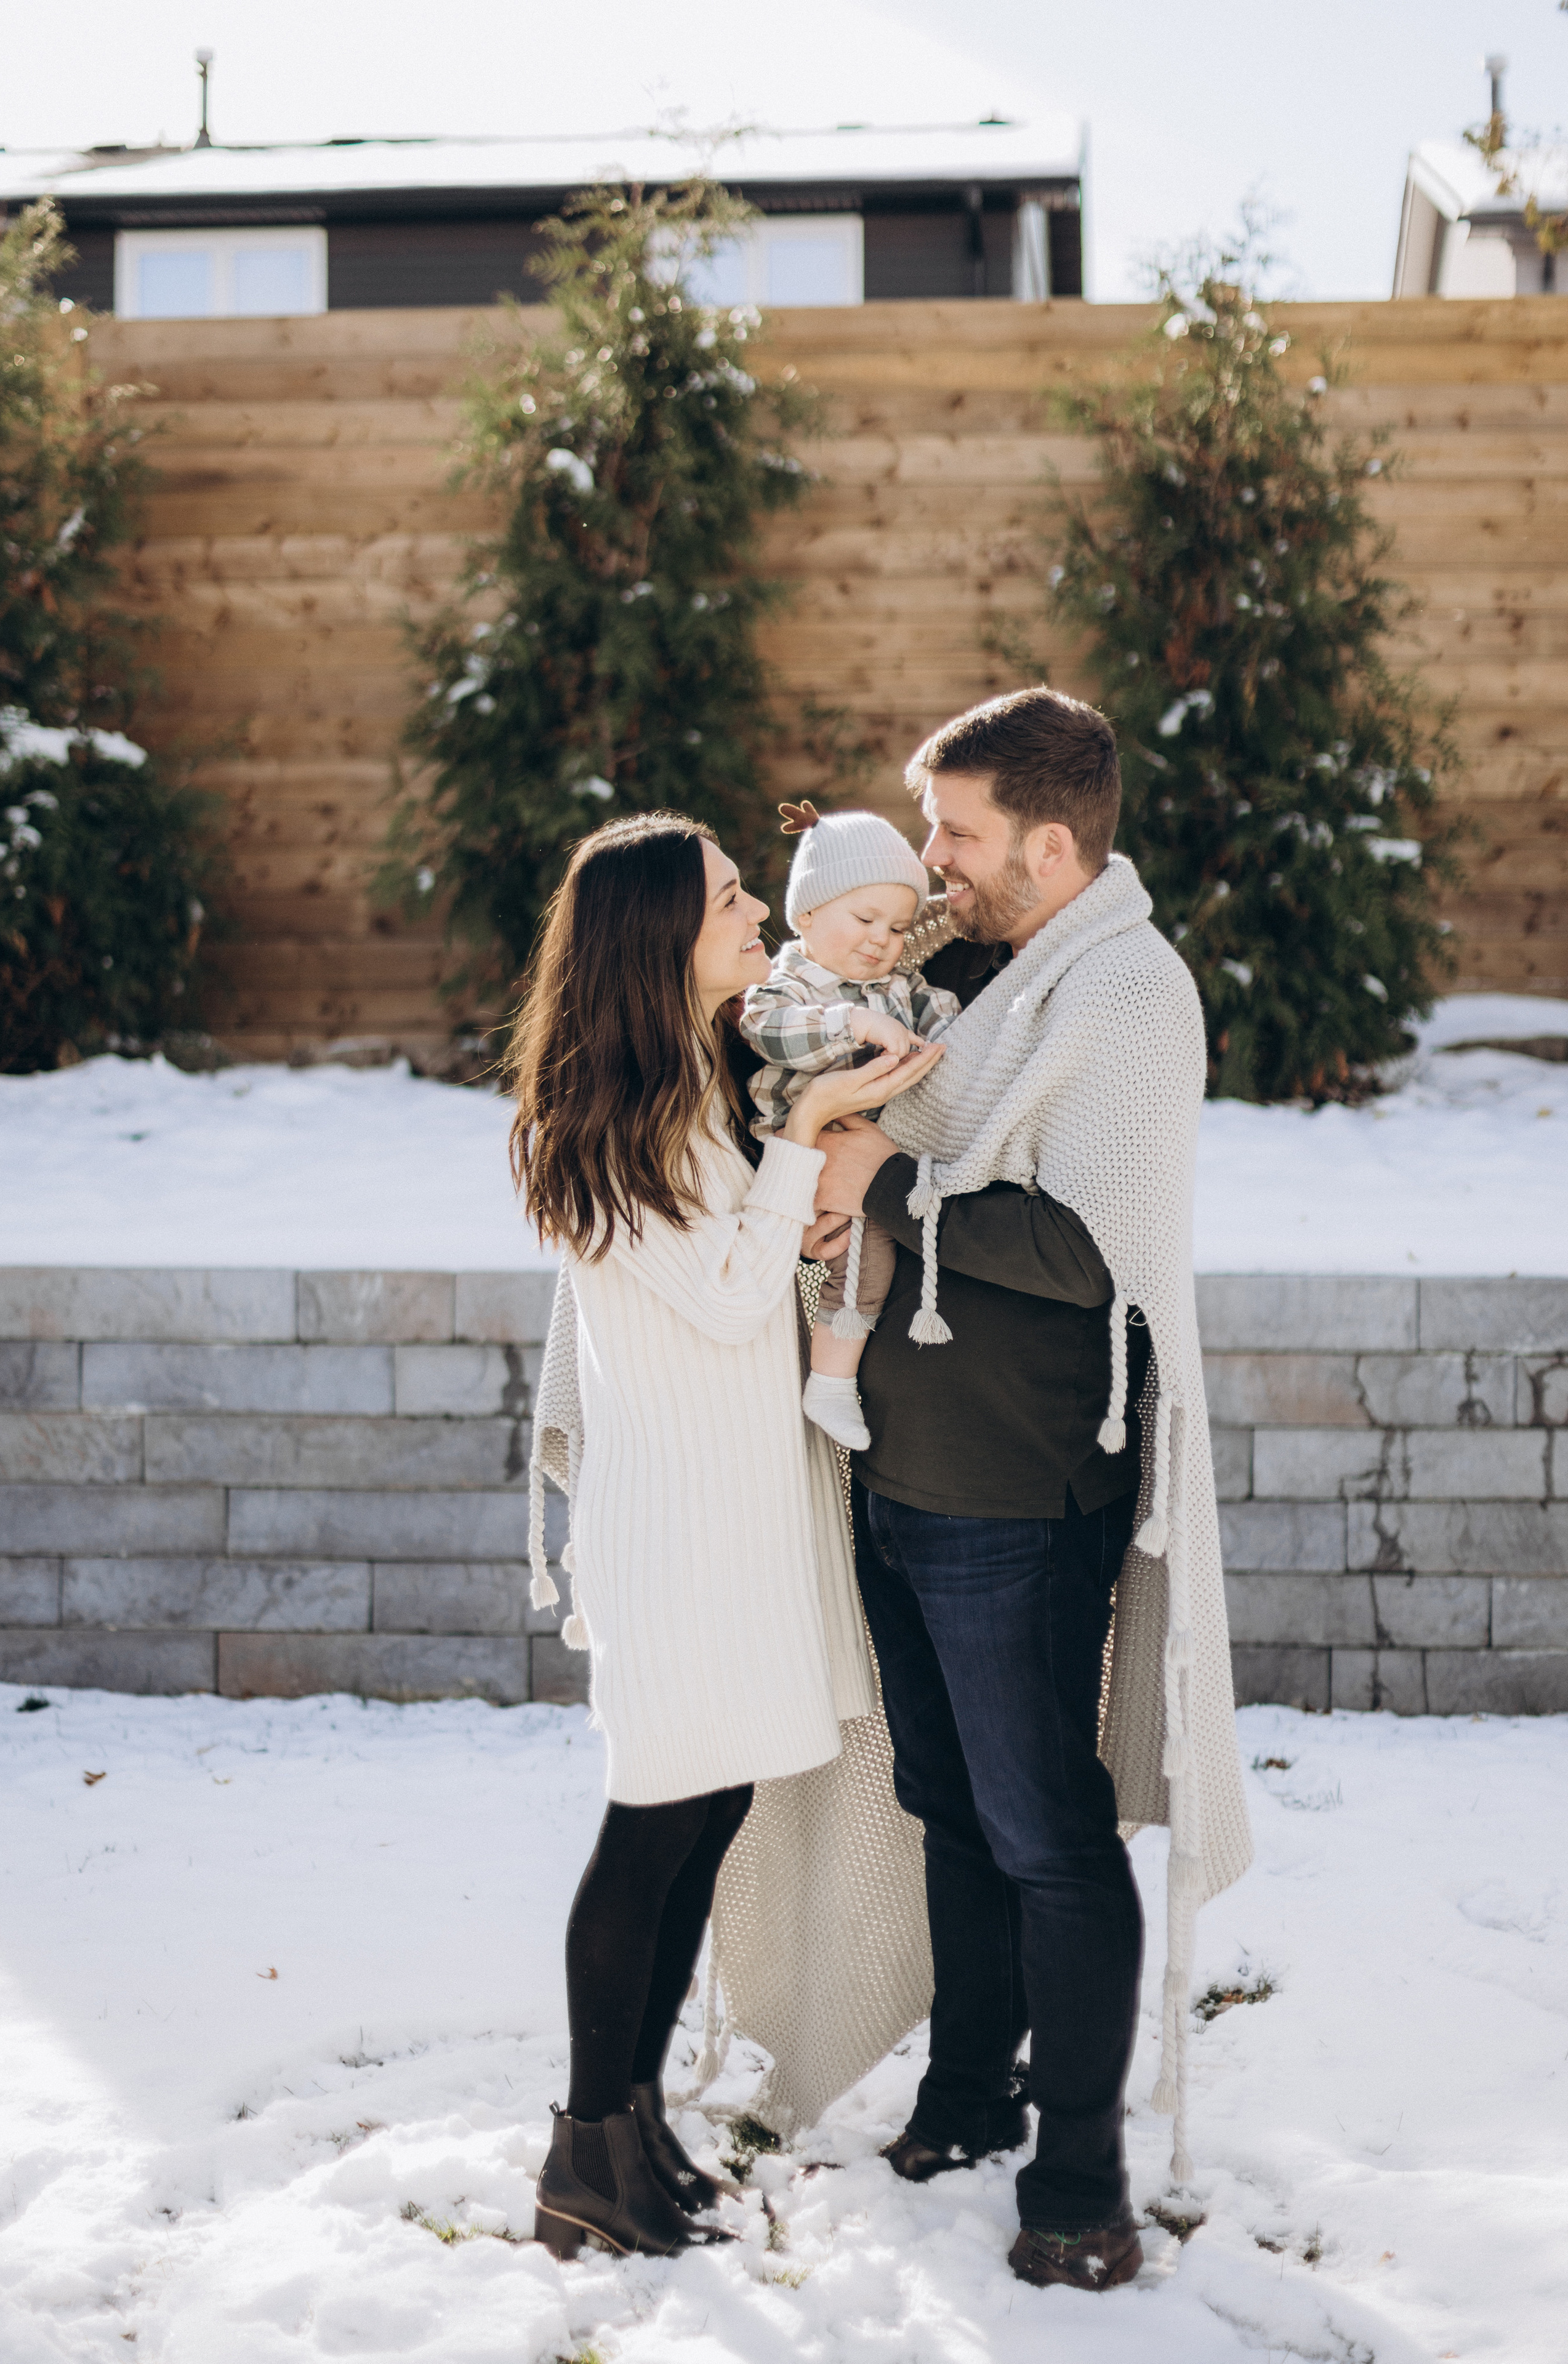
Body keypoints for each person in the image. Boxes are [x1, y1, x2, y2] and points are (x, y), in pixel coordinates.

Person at [802, 687, 1253, 2294]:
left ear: (1049, 845)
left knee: (1048, 1830)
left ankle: (1078, 2183)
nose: (935, 860)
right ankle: (968, 2093)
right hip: (907, 1468)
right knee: (951, 1809)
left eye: (960, 834)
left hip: (1015, 1487)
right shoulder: (1001, 982)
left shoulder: (1126, 995)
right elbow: (923, 1109)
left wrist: (888, 1177)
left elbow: (1088, 1250)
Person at [508, 810, 943, 2261]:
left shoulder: (695, 1080)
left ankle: (634, 2122)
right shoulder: (587, 1121)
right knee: (649, 1828)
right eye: (728, 899)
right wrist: (805, 1152)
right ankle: (580, 2149)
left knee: (705, 1823)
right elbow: (719, 1300)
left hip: (737, 1513)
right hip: (673, 1530)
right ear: (652, 941)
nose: (759, 911)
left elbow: (743, 1265)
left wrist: (797, 1189)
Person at [739, 800, 962, 1452]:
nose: (881, 940)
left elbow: (945, 1021)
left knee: (877, 1243)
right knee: (864, 1259)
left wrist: (944, 1032)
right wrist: (853, 1025)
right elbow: (769, 1033)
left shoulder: (900, 984)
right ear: (805, 914)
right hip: (806, 1149)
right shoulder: (789, 987)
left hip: (875, 1143)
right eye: (864, 919)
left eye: (897, 928)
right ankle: (830, 1382)